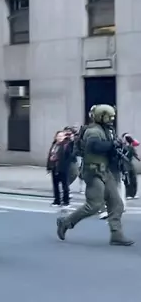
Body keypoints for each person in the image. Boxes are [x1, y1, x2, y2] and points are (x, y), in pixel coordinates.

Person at [56, 104, 133, 246]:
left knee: (117, 204)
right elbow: (94, 146)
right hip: (92, 172)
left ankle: (116, 235)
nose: (111, 120)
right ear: (100, 116)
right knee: (94, 205)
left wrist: (118, 148)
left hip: (105, 170)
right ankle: (66, 222)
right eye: (108, 117)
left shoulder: (107, 130)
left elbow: (109, 148)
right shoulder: (93, 131)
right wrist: (112, 145)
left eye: (112, 117)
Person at [46, 130, 72, 207]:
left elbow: (69, 157)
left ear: (64, 137)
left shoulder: (66, 145)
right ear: (56, 137)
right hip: (54, 167)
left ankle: (66, 201)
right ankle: (57, 200)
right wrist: (49, 166)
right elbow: (50, 155)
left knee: (65, 186)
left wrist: (65, 166)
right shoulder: (54, 145)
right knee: (55, 185)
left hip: (62, 168)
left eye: (61, 136)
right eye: (58, 136)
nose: (60, 138)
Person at [121, 133, 139, 199]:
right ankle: (127, 194)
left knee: (133, 178)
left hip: (130, 164)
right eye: (126, 137)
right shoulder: (122, 145)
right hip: (124, 163)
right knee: (127, 179)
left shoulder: (131, 146)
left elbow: (135, 154)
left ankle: (133, 194)